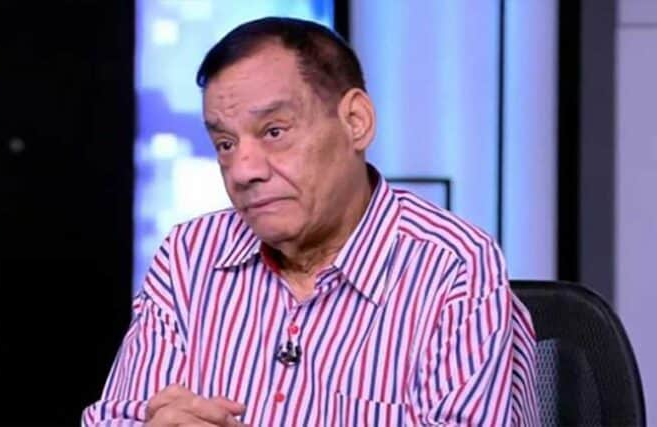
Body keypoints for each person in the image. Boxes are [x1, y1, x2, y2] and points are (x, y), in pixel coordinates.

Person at [82, 17, 538, 426]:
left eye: (274, 132)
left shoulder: (454, 267)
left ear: (356, 121)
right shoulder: (189, 256)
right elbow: (115, 417)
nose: (242, 171)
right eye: (225, 144)